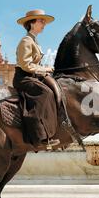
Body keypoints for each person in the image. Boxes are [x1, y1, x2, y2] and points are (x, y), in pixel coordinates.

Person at [14, 9, 61, 148]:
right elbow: (26, 64)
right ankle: (38, 136)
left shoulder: (34, 41)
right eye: (41, 21)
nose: (44, 24)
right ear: (32, 23)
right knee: (45, 93)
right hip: (23, 78)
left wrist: (47, 70)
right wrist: (45, 69)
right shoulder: (26, 41)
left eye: (44, 21)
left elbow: (35, 65)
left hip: (31, 76)